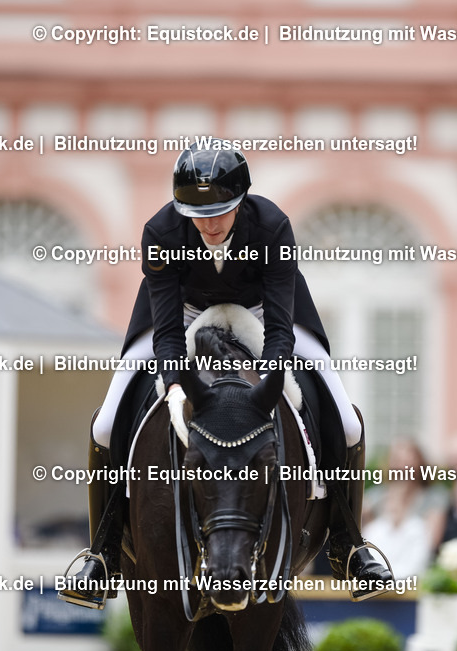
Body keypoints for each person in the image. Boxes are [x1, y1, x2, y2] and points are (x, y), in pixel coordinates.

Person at [60, 143, 392, 607]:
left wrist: (274, 375)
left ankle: (349, 545)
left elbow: (279, 325)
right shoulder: (161, 231)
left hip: (262, 309)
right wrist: (174, 380)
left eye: (220, 212)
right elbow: (168, 325)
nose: (209, 224)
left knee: (348, 419)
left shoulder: (273, 226)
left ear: (242, 201)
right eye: (197, 214)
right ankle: (104, 553)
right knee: (106, 421)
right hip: (182, 311)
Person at [362, 438, 446, 579]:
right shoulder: (375, 497)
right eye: (398, 461)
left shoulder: (434, 498)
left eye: (408, 462)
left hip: (417, 573)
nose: (403, 468)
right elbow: (365, 537)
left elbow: (432, 542)